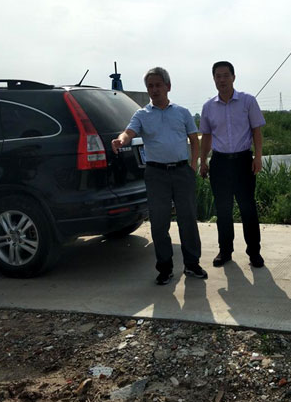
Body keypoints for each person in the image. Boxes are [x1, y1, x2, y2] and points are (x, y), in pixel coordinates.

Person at [112, 67, 207, 285]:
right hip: (156, 174)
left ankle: (192, 264)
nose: (154, 89)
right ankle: (165, 268)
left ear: (168, 87)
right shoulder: (142, 115)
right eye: (150, 86)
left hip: (182, 172)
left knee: (188, 220)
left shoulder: (182, 112)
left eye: (158, 85)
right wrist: (120, 140)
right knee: (159, 222)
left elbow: (194, 140)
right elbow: (129, 132)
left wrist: (193, 166)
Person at [199, 61, 266, 268]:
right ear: (214, 79)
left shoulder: (247, 101)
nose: (222, 80)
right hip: (220, 163)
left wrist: (258, 157)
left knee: (248, 209)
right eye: (218, 76)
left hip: (243, 161)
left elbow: (256, 131)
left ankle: (254, 252)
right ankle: (225, 251)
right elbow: (206, 136)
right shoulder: (208, 107)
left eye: (226, 75)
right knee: (223, 210)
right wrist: (203, 161)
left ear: (233, 77)